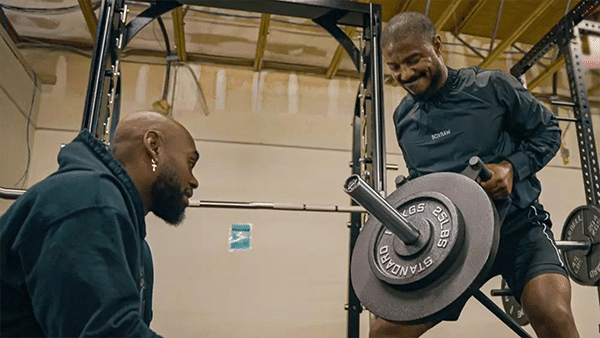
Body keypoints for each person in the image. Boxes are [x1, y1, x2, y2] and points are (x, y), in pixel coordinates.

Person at [370, 11, 580, 338]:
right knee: (386, 332)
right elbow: (423, 181)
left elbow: (549, 131)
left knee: (553, 314)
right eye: (394, 67)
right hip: (454, 243)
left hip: (517, 227)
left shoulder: (491, 87)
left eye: (413, 60)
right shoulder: (404, 118)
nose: (406, 74)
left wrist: (511, 167)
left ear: (437, 46)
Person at [0, 111, 199, 337]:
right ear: (153, 146)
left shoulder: (135, 244)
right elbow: (106, 332)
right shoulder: (86, 201)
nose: (194, 180)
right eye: (190, 163)